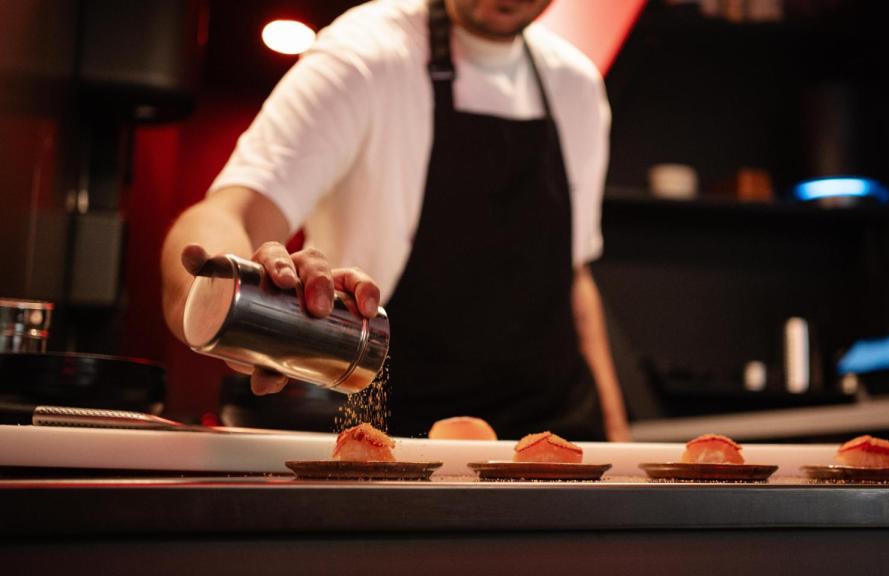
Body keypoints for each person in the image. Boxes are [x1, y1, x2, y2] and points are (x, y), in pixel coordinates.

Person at [161, 0, 630, 441]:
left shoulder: (576, 85)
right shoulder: (366, 54)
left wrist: (617, 440)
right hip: (394, 435)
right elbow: (227, 213)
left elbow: (574, 279)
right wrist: (222, 304)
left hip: (553, 434)